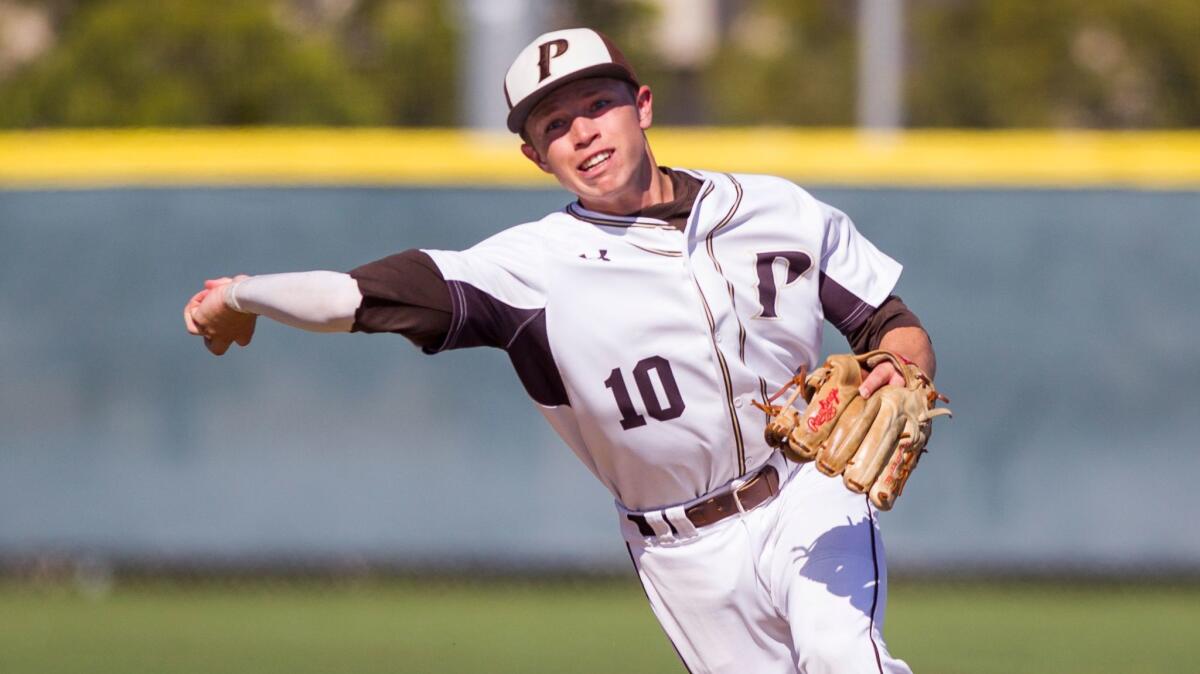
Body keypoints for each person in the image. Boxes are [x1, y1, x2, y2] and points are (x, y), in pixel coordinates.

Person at [184, 28, 935, 674]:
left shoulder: (776, 210)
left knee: (846, 660)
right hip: (682, 551)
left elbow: (891, 323)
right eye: (554, 124)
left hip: (807, 490)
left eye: (597, 105)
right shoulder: (528, 270)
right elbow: (357, 297)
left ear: (642, 106)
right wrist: (243, 294)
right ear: (534, 155)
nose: (582, 131)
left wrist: (901, 370)